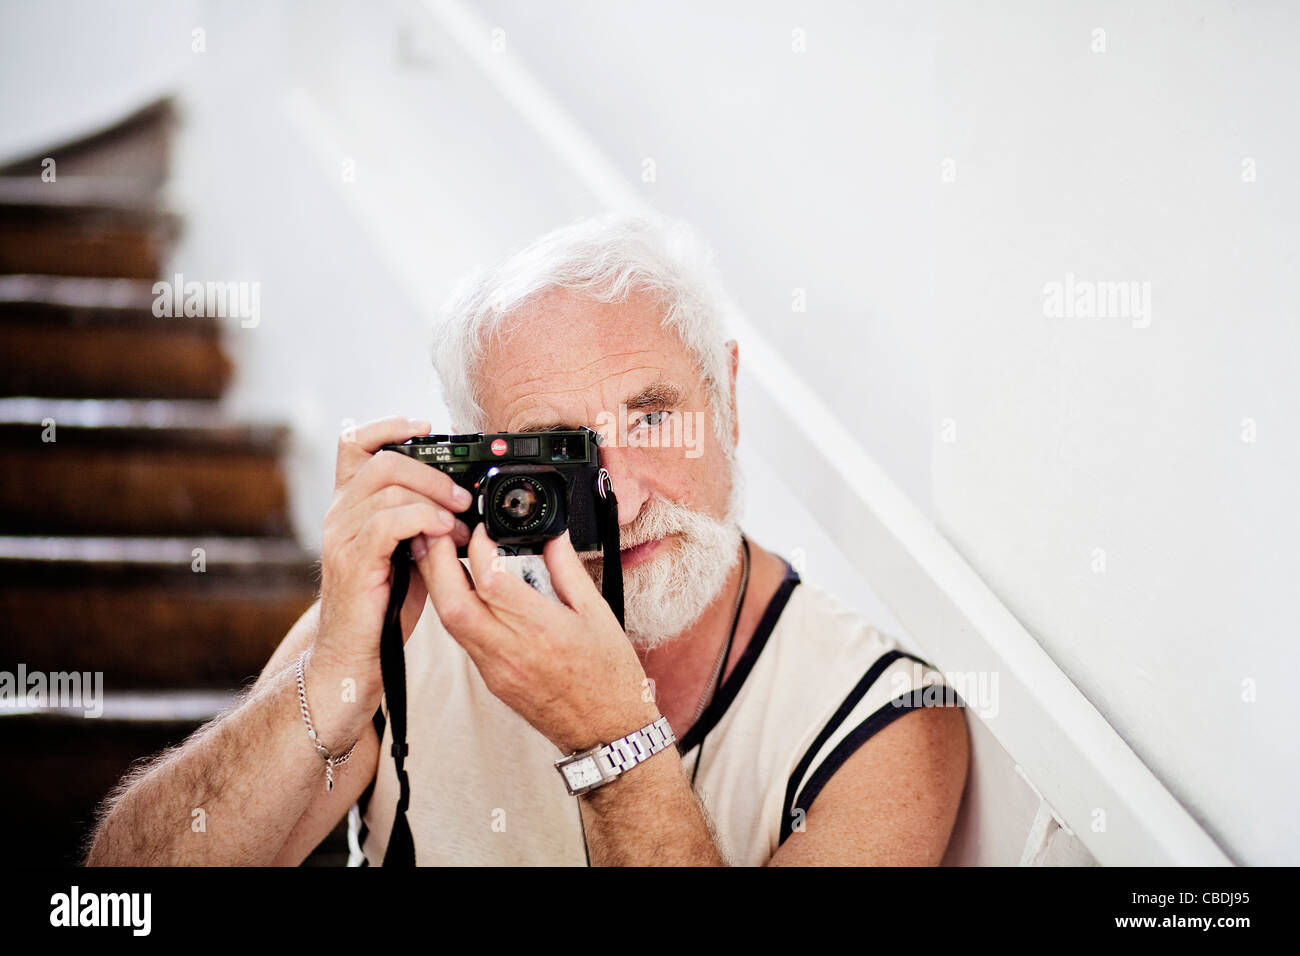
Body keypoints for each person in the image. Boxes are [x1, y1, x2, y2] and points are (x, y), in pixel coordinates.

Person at [86, 213, 968, 866]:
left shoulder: (885, 719)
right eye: (560, 452)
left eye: (652, 416)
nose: (618, 496)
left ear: (728, 401)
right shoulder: (422, 619)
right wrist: (337, 676)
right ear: (484, 468)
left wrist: (612, 739)